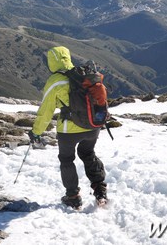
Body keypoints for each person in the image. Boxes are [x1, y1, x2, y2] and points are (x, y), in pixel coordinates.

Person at [29, 46, 108, 209]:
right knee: (88, 153)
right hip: (93, 126)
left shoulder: (55, 81)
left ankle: (73, 196)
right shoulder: (84, 74)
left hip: (68, 130)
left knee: (67, 159)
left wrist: (36, 132)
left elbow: (46, 111)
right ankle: (100, 190)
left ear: (52, 62)